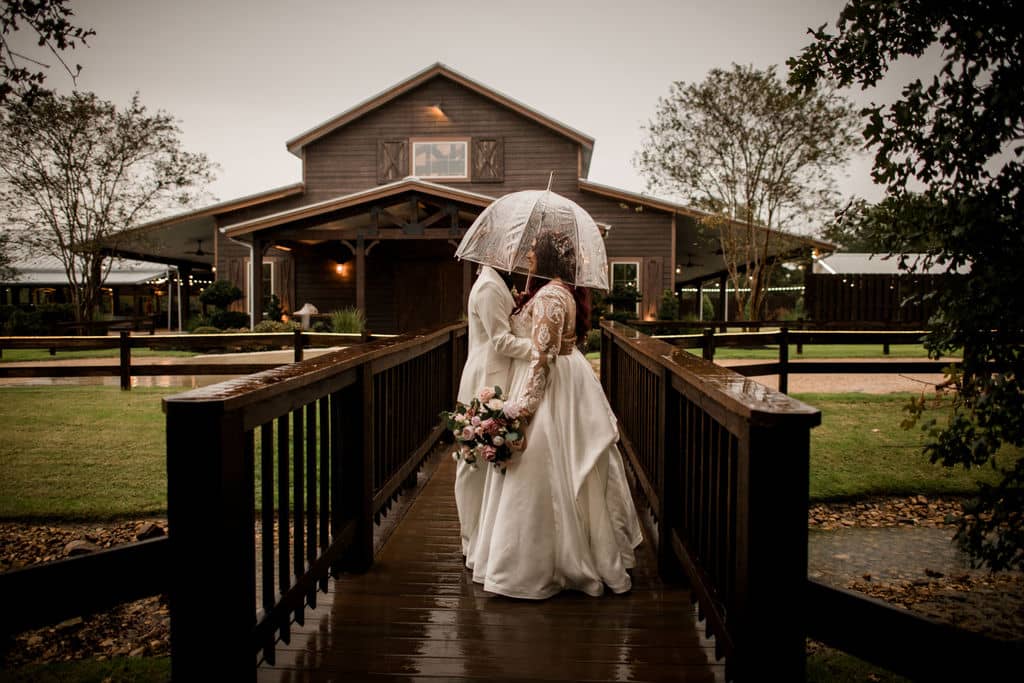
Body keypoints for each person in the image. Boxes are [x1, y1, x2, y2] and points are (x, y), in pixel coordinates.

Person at [466, 231, 643, 599]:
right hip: (569, 379)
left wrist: (522, 410)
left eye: (533, 249)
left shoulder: (550, 297)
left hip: (552, 388)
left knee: (541, 465)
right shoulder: (558, 293)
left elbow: (542, 360)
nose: (527, 253)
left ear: (545, 257)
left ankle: (543, 564)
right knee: (564, 468)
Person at [455, 265, 533, 557]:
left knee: (490, 457)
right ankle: (469, 537)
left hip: (498, 377)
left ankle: (484, 535)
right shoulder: (489, 286)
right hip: (485, 380)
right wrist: (540, 348)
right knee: (472, 460)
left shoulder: (499, 281)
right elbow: (500, 340)